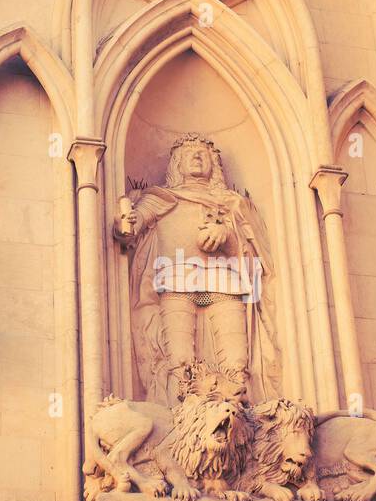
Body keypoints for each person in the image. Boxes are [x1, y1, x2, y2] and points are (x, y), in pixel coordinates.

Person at [115, 133, 280, 405]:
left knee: (237, 358)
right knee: (179, 358)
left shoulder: (230, 202)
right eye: (189, 153)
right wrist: (127, 222)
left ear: (214, 165)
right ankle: (181, 412)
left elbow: (254, 249)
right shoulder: (160, 198)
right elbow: (129, 231)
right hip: (175, 278)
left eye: (203, 153)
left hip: (223, 281)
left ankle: (238, 409)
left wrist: (225, 234)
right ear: (177, 164)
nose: (197, 156)